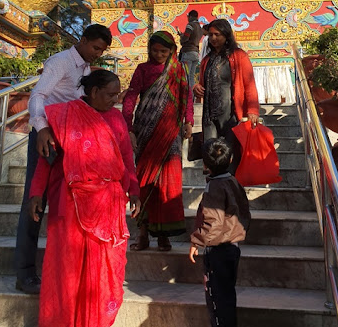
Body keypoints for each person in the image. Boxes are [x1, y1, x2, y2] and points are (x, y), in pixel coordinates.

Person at [28, 69, 140, 327]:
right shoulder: (65, 116)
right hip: (71, 202)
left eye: (118, 94)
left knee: (106, 267)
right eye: (111, 94)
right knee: (67, 267)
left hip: (109, 205)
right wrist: (36, 193)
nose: (116, 100)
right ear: (93, 93)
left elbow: (127, 158)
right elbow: (47, 158)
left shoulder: (116, 119)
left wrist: (135, 191)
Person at [14, 23, 112, 294]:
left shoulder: (86, 70)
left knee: (63, 204)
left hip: (69, 139)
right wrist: (42, 127)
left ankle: (62, 272)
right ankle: (24, 273)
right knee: (35, 201)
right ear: (82, 40)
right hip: (46, 136)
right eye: (95, 47)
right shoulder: (60, 62)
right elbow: (38, 96)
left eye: (101, 51)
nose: (97, 53)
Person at [122, 30, 193, 251]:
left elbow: (187, 96)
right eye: (155, 50)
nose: (159, 54)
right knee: (144, 181)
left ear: (172, 50)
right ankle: (142, 233)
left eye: (164, 51)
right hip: (146, 130)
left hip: (172, 132)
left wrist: (188, 121)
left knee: (168, 183)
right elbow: (131, 96)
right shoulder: (143, 69)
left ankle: (164, 236)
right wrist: (128, 126)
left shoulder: (179, 70)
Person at [189, 137, 251, 327]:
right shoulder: (234, 182)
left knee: (219, 297)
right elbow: (245, 213)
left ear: (205, 164)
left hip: (218, 250)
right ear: (232, 159)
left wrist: (197, 240)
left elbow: (212, 223)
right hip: (232, 247)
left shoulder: (215, 187)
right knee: (222, 295)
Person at [193, 19, 259, 174]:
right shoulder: (206, 60)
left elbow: (249, 84)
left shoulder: (239, 56)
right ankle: (212, 188)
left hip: (231, 114)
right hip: (210, 115)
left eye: (218, 34)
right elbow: (201, 84)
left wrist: (253, 110)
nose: (213, 38)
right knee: (210, 152)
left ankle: (231, 188)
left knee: (230, 155)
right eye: (210, 35)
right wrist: (197, 88)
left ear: (227, 35)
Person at [179, 9, 203, 86]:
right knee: (191, 76)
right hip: (196, 52)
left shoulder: (190, 25)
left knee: (185, 75)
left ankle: (185, 95)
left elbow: (186, 38)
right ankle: (191, 95)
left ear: (191, 16)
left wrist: (181, 37)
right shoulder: (199, 27)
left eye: (188, 17)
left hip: (188, 52)